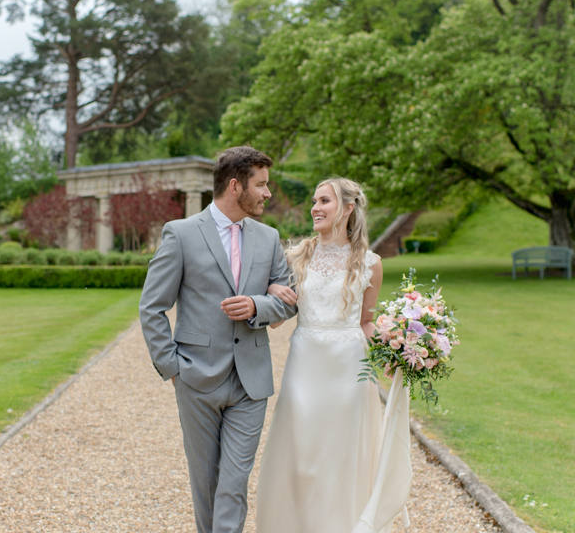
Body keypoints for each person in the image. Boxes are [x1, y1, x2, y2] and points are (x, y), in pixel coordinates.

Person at [139, 146, 298, 533]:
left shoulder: (268, 237)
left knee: (233, 481)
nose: (267, 193)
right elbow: (151, 308)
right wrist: (172, 367)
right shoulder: (180, 234)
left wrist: (258, 306)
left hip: (252, 380)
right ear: (234, 185)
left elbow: (289, 300)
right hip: (196, 378)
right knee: (206, 481)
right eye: (260, 184)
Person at [256, 177, 412, 533]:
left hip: (349, 371)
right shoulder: (297, 255)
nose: (315, 208)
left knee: (340, 458)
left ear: (348, 207)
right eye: (314, 201)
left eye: (324, 201)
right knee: (301, 455)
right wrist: (272, 290)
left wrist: (396, 349)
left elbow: (366, 322)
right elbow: (278, 317)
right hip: (304, 365)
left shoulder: (370, 263)